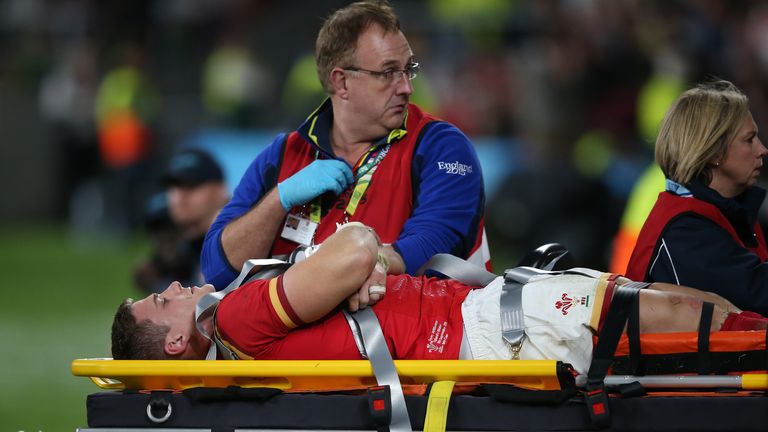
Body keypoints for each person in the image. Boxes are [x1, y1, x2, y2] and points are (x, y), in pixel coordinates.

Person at [112, 224, 766, 376]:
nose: (174, 287)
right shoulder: (232, 314)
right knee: (687, 314)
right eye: (160, 302)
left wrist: (353, 271)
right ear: (177, 342)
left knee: (689, 304)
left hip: (490, 317)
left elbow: (353, 268)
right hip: (491, 328)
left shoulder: (241, 336)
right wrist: (352, 253)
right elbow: (353, 249)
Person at [200, 0, 489, 290]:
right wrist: (279, 200)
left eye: (408, 69)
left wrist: (334, 266)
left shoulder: (442, 146)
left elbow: (432, 246)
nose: (406, 87)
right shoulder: (282, 155)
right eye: (388, 73)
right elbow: (217, 269)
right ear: (342, 83)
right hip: (297, 331)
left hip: (420, 331)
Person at [626, 80, 768, 315]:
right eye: (749, 139)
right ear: (715, 152)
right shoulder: (685, 231)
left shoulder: (730, 211)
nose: (762, 149)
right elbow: (758, 295)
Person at [133, 149, 230, 292]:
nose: (179, 196)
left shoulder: (233, 239)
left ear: (220, 191)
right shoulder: (188, 247)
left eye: (191, 185)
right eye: (173, 186)